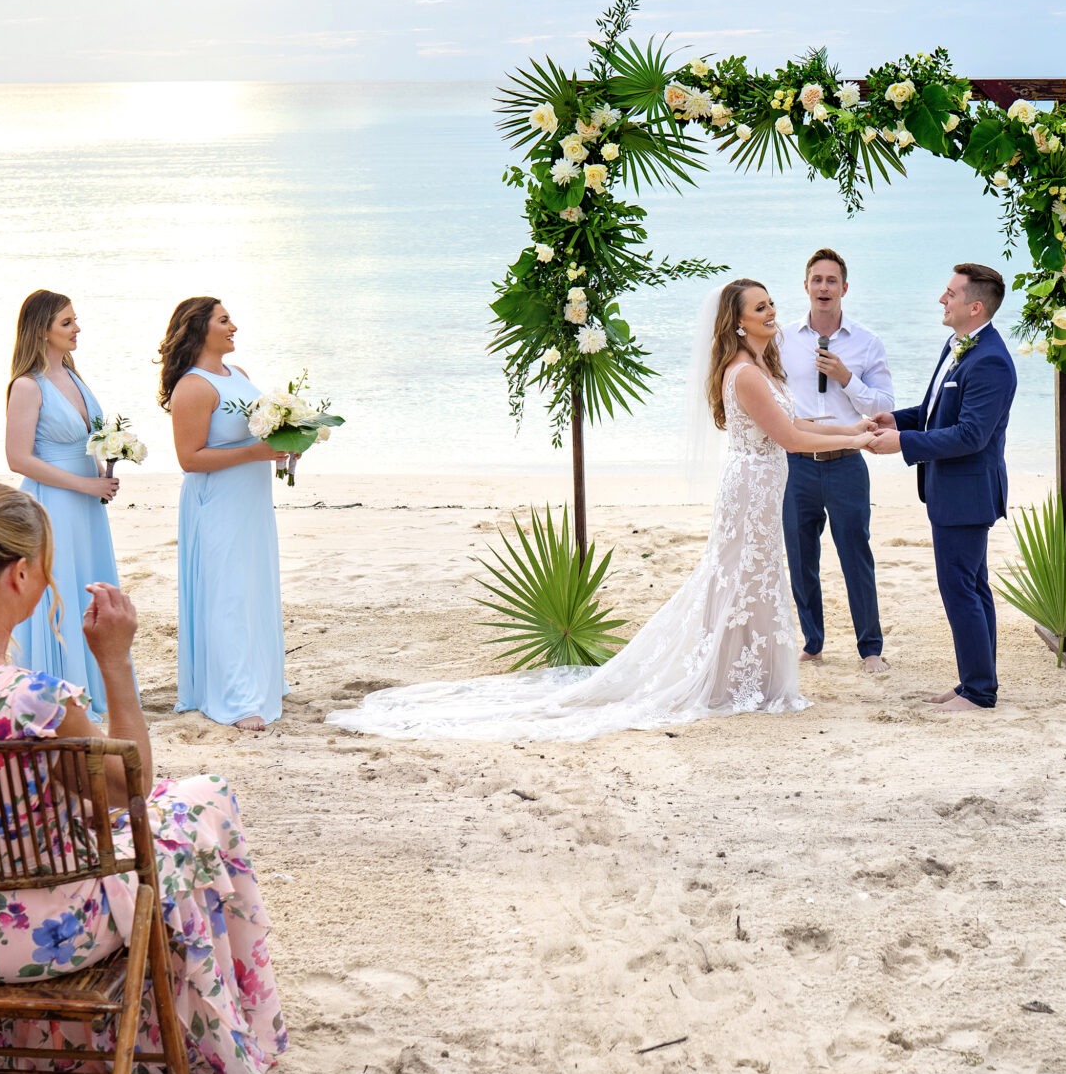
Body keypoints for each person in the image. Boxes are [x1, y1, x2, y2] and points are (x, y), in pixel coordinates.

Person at [0, 483, 286, 1074]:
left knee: (177, 808)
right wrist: (115, 662)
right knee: (205, 799)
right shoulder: (31, 700)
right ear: (19, 574)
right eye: (45, 568)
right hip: (58, 935)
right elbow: (133, 789)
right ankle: (233, 1029)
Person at [327, 279, 876, 742]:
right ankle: (727, 680)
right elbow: (788, 438)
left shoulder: (764, 366)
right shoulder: (746, 373)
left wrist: (852, 427)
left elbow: (803, 425)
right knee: (737, 574)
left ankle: (744, 678)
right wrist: (854, 442)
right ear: (737, 323)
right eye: (760, 308)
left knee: (749, 575)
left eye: (770, 304)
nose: (771, 311)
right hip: (752, 484)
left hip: (760, 481)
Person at [869, 264, 1019, 712]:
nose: (941, 299)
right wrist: (897, 420)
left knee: (961, 589)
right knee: (972, 587)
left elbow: (971, 435)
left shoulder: (990, 359)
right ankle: (976, 682)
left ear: (974, 306)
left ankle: (978, 692)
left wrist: (903, 443)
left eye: (949, 293)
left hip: (967, 494)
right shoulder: (958, 347)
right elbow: (940, 411)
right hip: (951, 491)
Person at [161, 297, 287, 729]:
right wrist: (256, 452)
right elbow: (189, 458)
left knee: (253, 587)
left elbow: (259, 434)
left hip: (251, 500)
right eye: (224, 320)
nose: (234, 326)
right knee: (227, 594)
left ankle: (259, 679)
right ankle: (236, 697)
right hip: (218, 503)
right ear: (200, 330)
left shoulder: (240, 376)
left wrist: (287, 447)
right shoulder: (193, 387)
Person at [6, 289, 131, 716]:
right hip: (53, 503)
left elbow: (86, 439)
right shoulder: (27, 386)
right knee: (58, 592)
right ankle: (59, 691)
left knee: (87, 586)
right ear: (42, 330)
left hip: (86, 502)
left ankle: (96, 683)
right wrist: (83, 486)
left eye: (75, 320)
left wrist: (103, 467)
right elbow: (18, 458)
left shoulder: (75, 377)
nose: (76, 328)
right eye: (67, 322)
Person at [776, 248, 895, 671]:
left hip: (847, 461)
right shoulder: (783, 339)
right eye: (816, 279)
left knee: (855, 554)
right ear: (805, 285)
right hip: (796, 462)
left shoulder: (867, 342)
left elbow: (883, 404)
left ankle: (871, 649)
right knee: (800, 555)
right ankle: (812, 641)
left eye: (832, 281)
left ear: (845, 288)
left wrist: (848, 378)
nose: (824, 287)